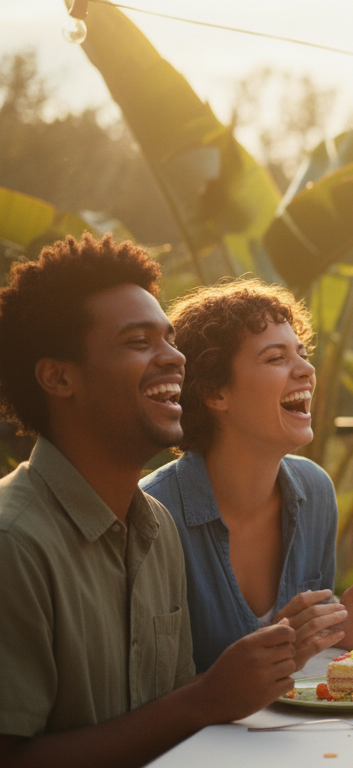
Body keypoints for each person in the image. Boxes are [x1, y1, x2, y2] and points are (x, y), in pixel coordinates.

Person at [0, 235, 297, 767]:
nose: (175, 358)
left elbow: (164, 721)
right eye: (140, 342)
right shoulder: (14, 544)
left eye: (171, 339)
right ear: (59, 377)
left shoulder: (157, 527)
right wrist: (206, 698)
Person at [140, 279, 353, 671]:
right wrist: (276, 650)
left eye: (303, 353)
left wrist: (344, 630)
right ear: (215, 393)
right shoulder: (155, 517)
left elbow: (306, 662)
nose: (307, 370)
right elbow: (148, 690)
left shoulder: (316, 492)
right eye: (276, 358)